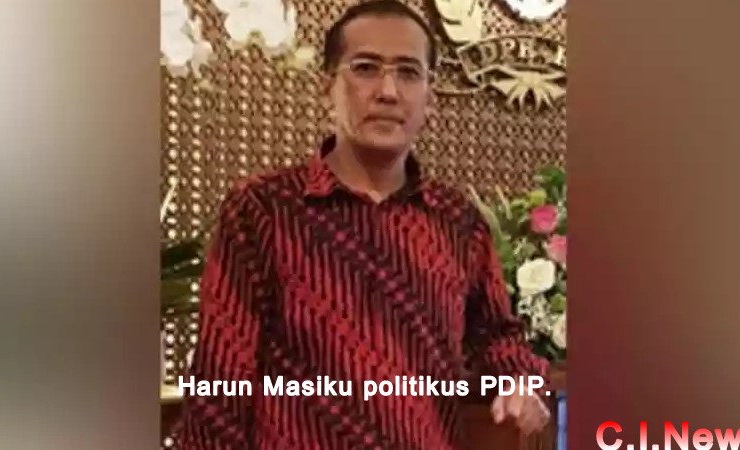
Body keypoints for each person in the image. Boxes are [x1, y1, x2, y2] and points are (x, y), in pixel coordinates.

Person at [175, 1, 551, 448]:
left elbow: (497, 334)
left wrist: (518, 379)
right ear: (328, 87)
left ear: (429, 96)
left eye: (408, 72)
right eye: (366, 68)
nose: (388, 91)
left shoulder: (458, 221)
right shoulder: (263, 209)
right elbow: (220, 383)